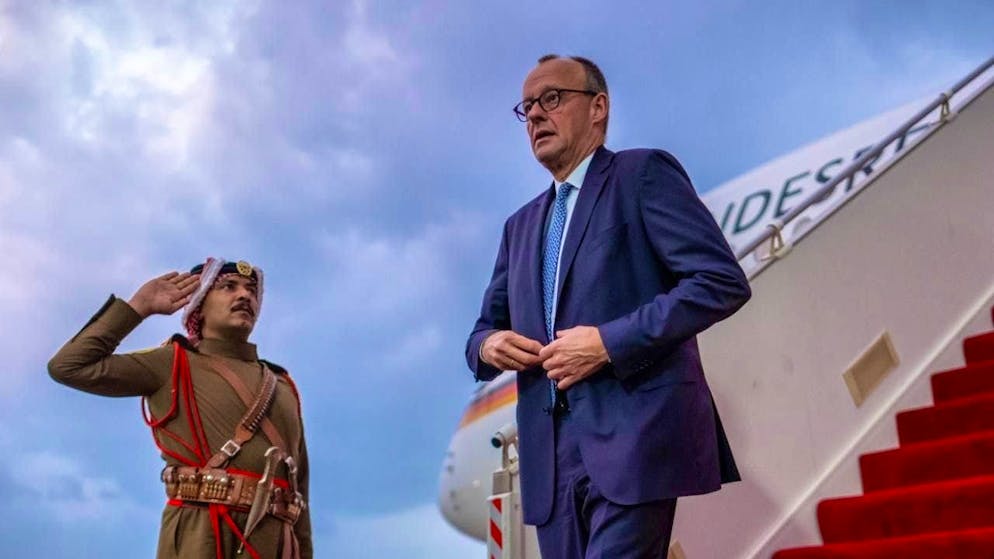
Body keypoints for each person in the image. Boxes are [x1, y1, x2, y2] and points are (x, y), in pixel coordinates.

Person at [465, 54, 752, 558]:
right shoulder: (519, 227)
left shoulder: (641, 174)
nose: (535, 115)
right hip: (549, 462)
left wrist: (607, 343)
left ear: (598, 107)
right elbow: (481, 334)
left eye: (552, 98)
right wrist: (490, 346)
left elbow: (719, 281)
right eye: (527, 107)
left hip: (633, 439)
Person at [49, 258, 312, 559]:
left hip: (274, 545)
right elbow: (68, 366)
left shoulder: (282, 386)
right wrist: (139, 307)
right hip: (200, 538)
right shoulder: (172, 363)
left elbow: (299, 496)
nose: (245, 295)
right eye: (228, 287)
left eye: (252, 290)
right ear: (198, 305)